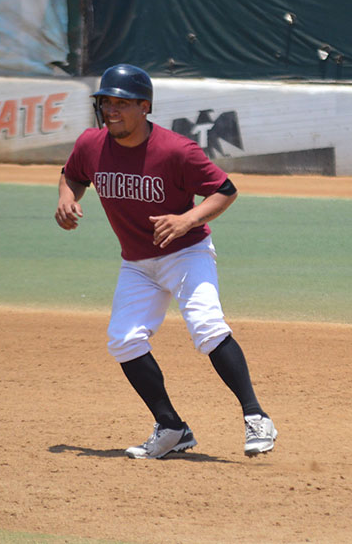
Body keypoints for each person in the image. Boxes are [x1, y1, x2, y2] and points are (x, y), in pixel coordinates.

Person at [54, 63, 277, 459]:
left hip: (186, 253)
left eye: (121, 103)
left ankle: (256, 417)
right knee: (124, 341)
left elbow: (225, 190)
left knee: (207, 328)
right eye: (106, 103)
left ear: (145, 107)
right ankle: (172, 427)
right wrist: (66, 197)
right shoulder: (91, 144)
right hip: (137, 263)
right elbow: (72, 175)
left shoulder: (176, 150)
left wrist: (187, 219)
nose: (111, 111)